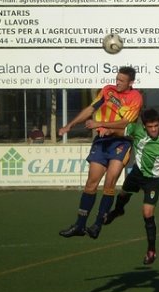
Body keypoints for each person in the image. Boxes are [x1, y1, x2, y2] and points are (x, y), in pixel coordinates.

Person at [58, 66, 143, 240]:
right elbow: (91, 109)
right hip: (102, 141)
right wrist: (70, 125)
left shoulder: (135, 98)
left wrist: (100, 124)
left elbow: (126, 123)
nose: (117, 82)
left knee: (110, 181)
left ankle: (97, 224)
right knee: (91, 183)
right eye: (117, 79)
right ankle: (80, 225)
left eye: (121, 80)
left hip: (121, 142)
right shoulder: (107, 90)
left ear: (131, 83)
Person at [102, 108, 159, 265]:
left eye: (156, 126)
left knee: (147, 213)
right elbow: (123, 130)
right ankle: (118, 211)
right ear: (144, 126)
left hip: (154, 179)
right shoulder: (137, 130)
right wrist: (109, 130)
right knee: (123, 194)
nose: (154, 129)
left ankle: (151, 250)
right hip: (137, 173)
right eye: (150, 126)